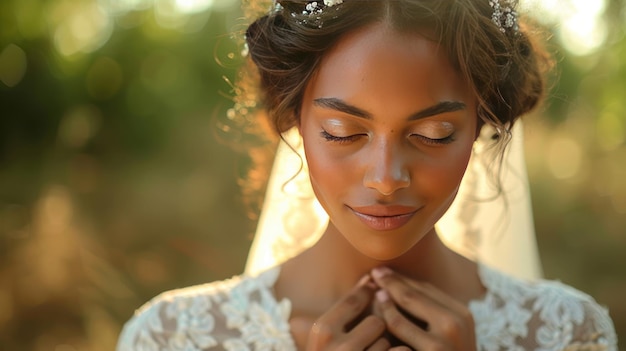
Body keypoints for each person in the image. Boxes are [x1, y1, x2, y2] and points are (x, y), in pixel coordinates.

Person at [116, 0, 618, 350]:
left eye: (436, 133)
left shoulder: (566, 333)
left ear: (481, 123)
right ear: (295, 117)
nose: (385, 177)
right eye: (341, 131)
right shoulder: (173, 337)